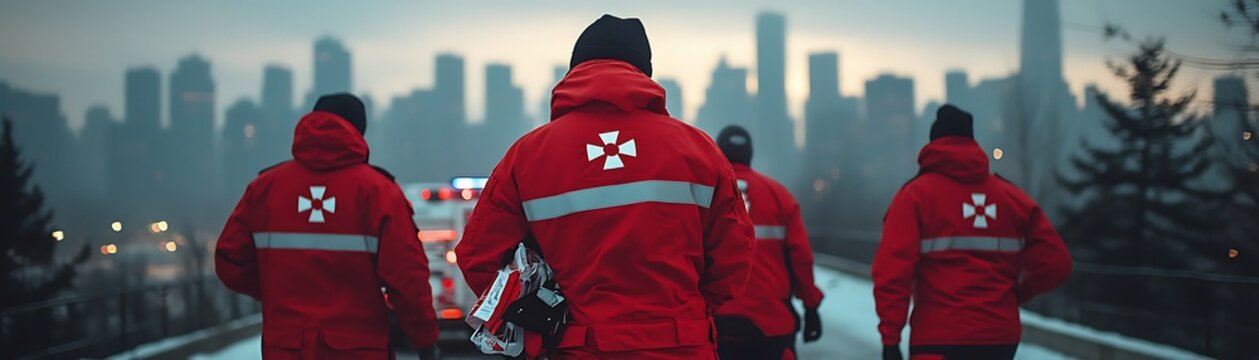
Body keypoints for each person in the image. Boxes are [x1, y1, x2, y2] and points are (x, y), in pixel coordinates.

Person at [454, 14, 756, 360]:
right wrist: (685, 312)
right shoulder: (698, 150)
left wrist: (539, 312)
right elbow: (734, 260)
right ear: (644, 72)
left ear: (575, 71)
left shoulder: (527, 156)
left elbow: (477, 258)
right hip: (681, 344)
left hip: (578, 347)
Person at [215, 94, 441, 360]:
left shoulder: (265, 188)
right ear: (359, 132)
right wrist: (426, 342)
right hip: (358, 350)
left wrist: (277, 292)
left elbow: (230, 261)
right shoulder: (379, 193)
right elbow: (407, 280)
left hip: (285, 349)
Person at [872, 105, 1073, 360]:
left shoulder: (914, 196)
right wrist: (1016, 294)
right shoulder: (1011, 197)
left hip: (938, 339)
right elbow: (1057, 262)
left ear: (933, 143)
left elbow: (892, 274)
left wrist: (890, 338)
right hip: (999, 339)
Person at [712, 125, 824, 360]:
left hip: (713, 324)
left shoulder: (703, 192)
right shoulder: (778, 195)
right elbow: (800, 257)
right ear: (750, 154)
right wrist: (811, 306)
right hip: (771, 325)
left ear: (717, 151)